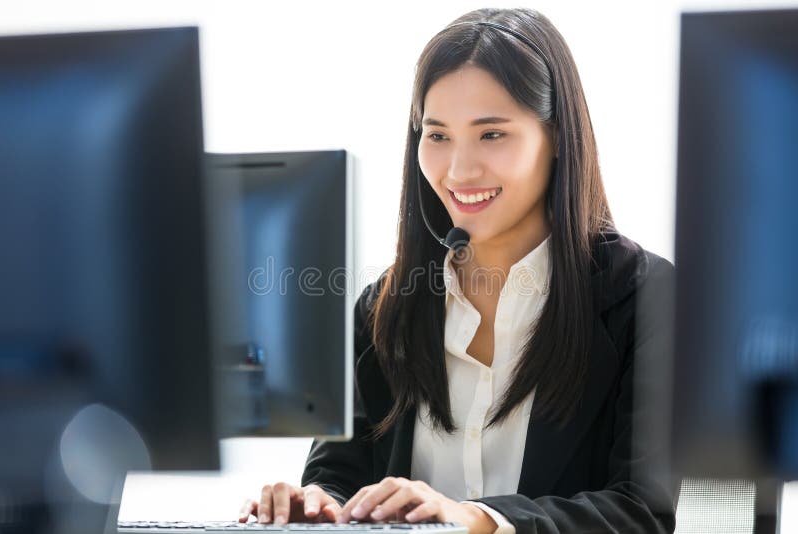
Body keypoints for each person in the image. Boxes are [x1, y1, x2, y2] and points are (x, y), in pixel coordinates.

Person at [239, 7, 678, 533]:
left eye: (491, 134)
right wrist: (314, 505)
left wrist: (478, 519)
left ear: (558, 137)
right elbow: (340, 478)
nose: (459, 170)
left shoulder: (644, 298)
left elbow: (640, 512)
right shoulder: (382, 309)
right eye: (438, 135)